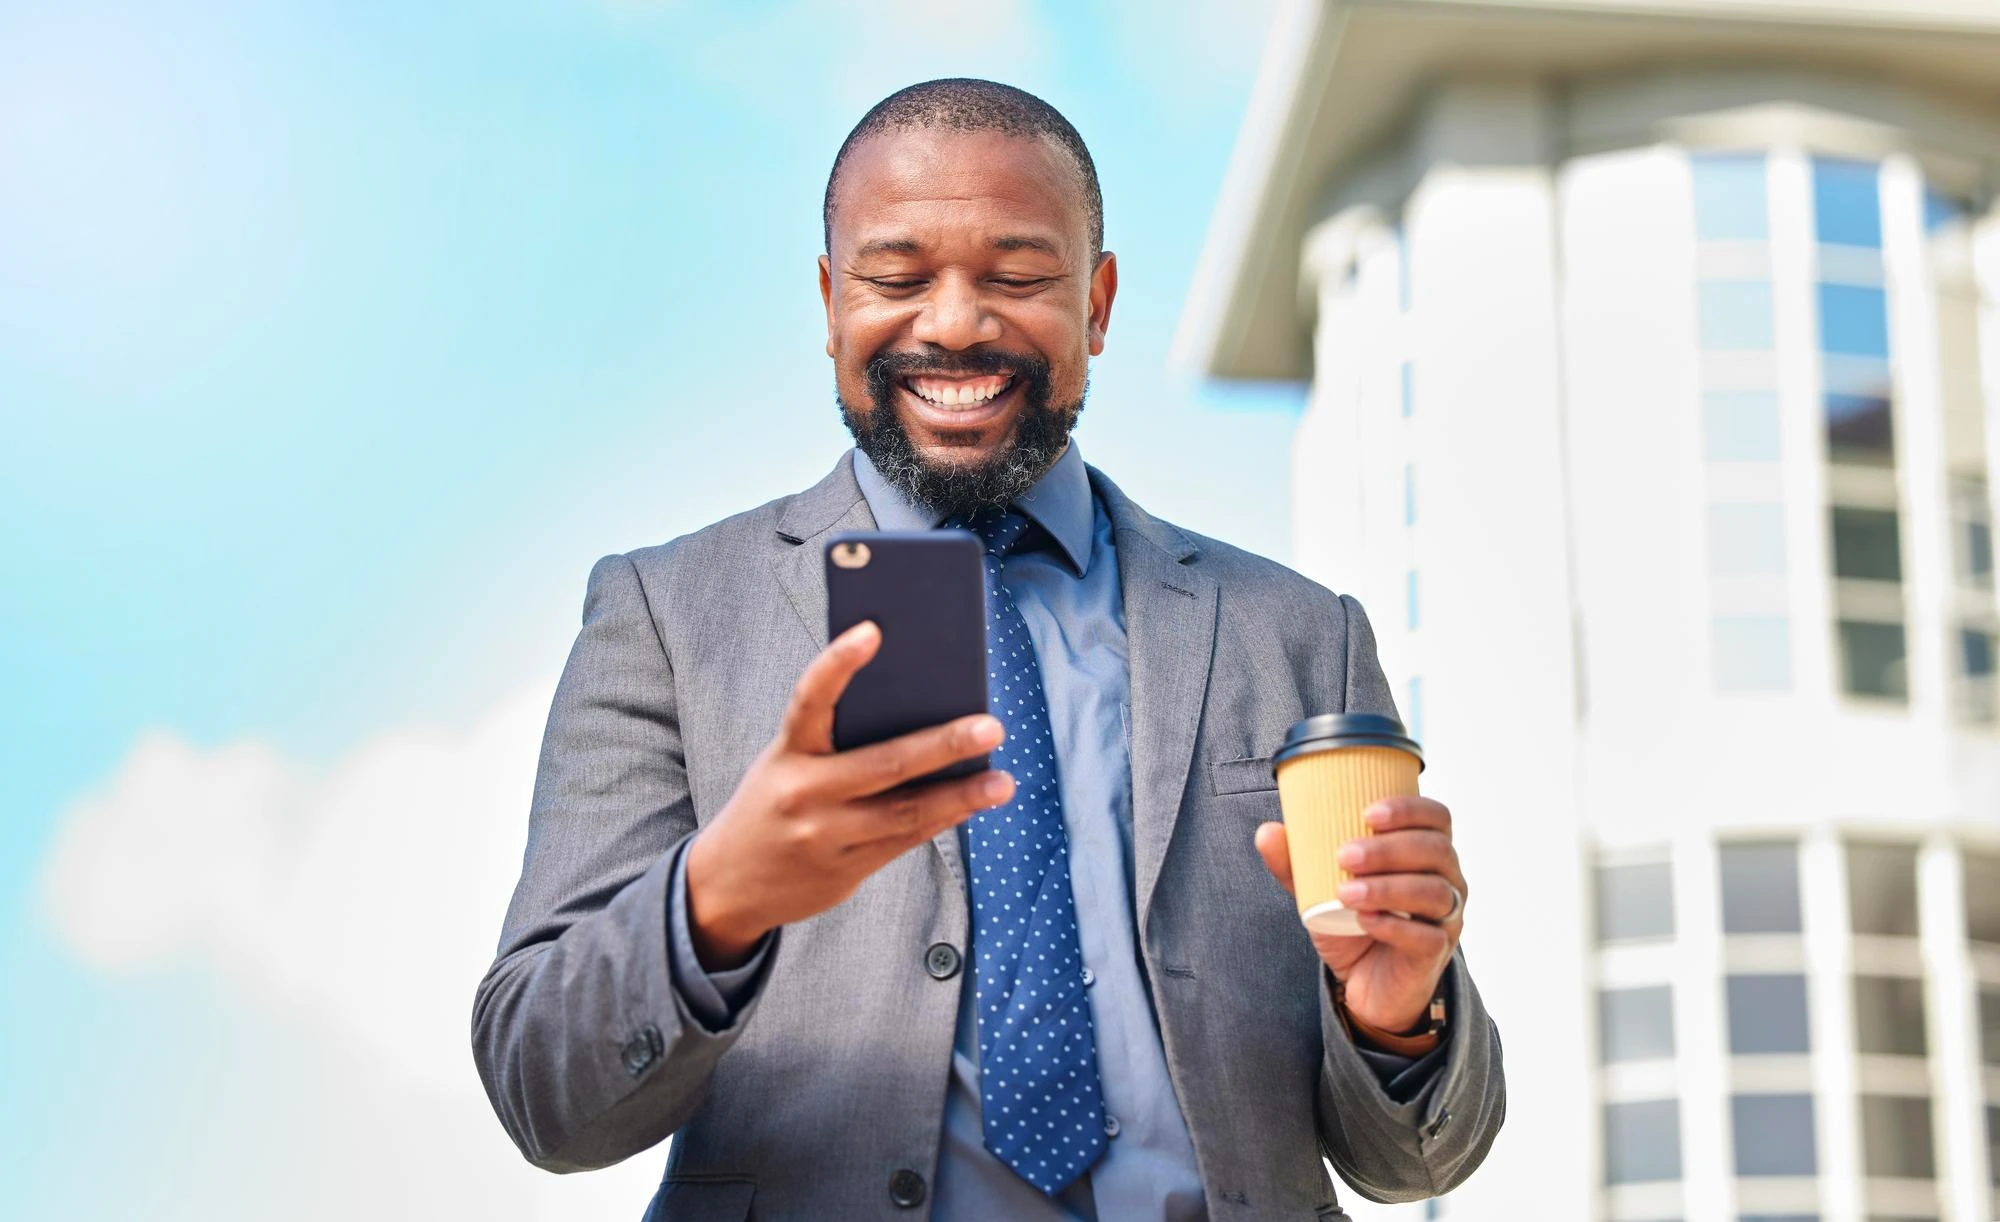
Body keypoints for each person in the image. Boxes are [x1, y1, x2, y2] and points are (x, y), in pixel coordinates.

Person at [472, 78, 1503, 1221]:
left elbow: (1413, 1162)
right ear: (828, 301)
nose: (955, 322)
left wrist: (1395, 1012)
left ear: (1098, 303)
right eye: (896, 276)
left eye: (1015, 277)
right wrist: (716, 897)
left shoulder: (1299, 635)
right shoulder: (664, 617)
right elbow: (543, 1096)